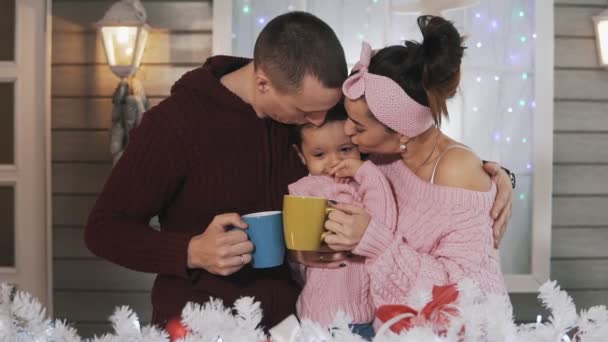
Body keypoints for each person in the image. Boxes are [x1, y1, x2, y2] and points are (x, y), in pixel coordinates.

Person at [84, 11, 513, 330]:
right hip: (204, 324)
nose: (320, 125)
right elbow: (104, 229)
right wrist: (191, 251)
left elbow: (401, 134)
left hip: (302, 325)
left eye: (329, 113)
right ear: (264, 83)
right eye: (306, 113)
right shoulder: (175, 125)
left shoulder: (318, 101)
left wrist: (493, 178)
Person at [322, 16, 508, 329]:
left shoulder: (456, 172)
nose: (346, 130)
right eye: (347, 116)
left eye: (359, 126)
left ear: (403, 133)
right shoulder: (381, 154)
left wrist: (376, 241)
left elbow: (465, 295)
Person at [287, 104, 396, 339]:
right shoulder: (303, 191)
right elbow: (298, 254)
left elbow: (384, 225)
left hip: (360, 317)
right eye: (319, 154)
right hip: (316, 314)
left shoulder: (365, 183)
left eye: (345, 149)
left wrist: (367, 172)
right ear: (301, 156)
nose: (334, 161)